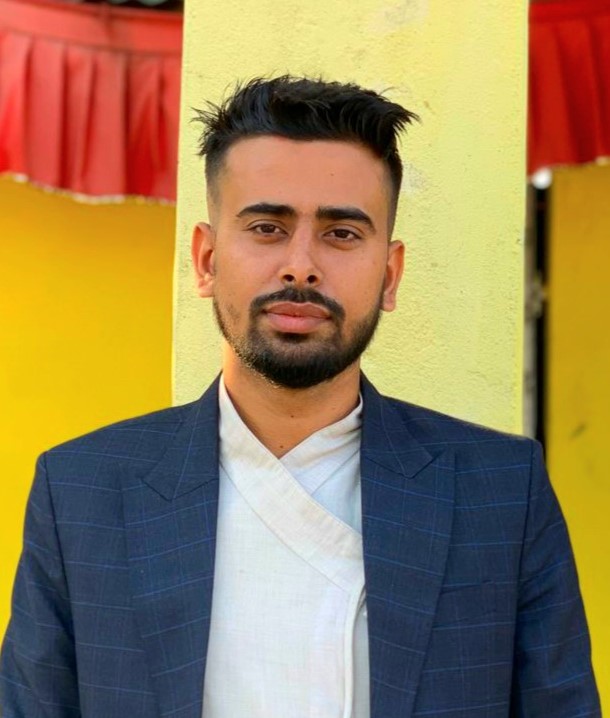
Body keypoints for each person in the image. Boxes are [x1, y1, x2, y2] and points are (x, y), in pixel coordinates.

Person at [0, 76, 600, 718]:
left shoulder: (499, 493)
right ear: (205, 260)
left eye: (342, 233)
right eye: (266, 227)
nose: (300, 265)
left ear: (390, 274)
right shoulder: (84, 493)